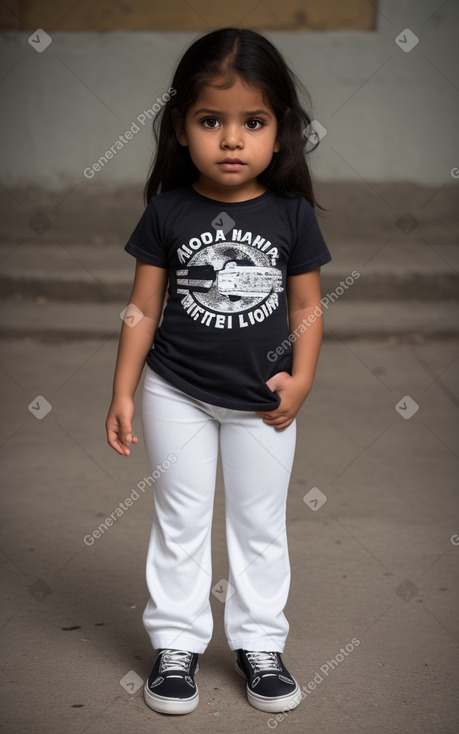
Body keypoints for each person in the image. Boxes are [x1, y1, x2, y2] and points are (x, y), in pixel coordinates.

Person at [105, 27, 332, 716]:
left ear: (280, 130)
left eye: (252, 122)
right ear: (180, 128)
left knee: (259, 523)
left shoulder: (291, 215)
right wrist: (122, 391)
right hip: (176, 390)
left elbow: (307, 306)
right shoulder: (168, 211)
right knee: (180, 518)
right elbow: (143, 310)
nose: (231, 140)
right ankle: (176, 643)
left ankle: (259, 643)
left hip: (262, 401)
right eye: (211, 121)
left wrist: (302, 379)